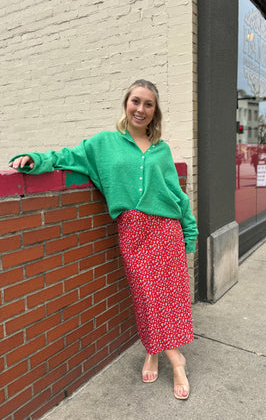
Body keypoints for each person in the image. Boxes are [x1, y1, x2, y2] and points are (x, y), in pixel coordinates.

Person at [9, 79, 198, 400]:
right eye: (136, 101)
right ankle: (175, 357)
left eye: (148, 104)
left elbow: (178, 196)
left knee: (169, 295)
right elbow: (64, 157)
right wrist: (33, 159)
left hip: (166, 229)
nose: (141, 109)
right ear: (126, 104)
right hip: (133, 230)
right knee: (146, 295)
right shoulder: (103, 144)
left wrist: (189, 234)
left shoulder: (161, 149)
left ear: (155, 112)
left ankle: (155, 352)